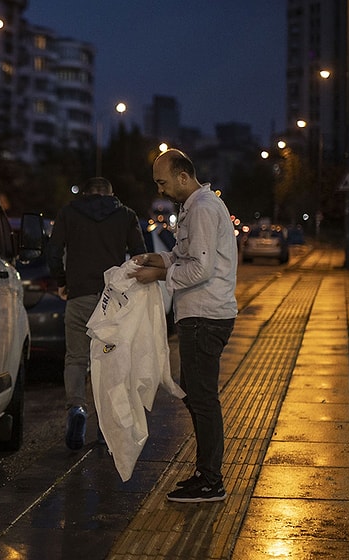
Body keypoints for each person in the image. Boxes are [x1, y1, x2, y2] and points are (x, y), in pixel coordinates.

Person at [129, 149, 238, 503]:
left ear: (182, 176)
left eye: (162, 182)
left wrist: (158, 275)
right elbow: (180, 256)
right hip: (198, 316)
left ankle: (211, 481)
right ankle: (206, 473)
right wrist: (153, 258)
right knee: (195, 393)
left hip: (205, 317)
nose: (161, 190)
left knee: (203, 398)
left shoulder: (204, 208)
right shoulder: (193, 207)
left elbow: (199, 269)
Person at [45, 176, 147, 450]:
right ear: (111, 194)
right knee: (110, 361)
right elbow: (140, 255)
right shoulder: (125, 215)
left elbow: (53, 252)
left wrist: (63, 281)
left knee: (76, 358)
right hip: (111, 302)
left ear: (86, 193)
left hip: (78, 297)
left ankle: (76, 408)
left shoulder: (69, 213)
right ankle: (105, 424)